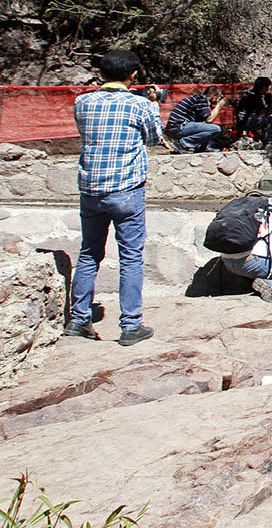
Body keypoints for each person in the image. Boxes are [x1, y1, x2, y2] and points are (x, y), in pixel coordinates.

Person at [69, 49, 162, 345]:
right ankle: (131, 325)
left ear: (101, 74)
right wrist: (155, 104)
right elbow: (154, 138)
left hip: (91, 189)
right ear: (133, 76)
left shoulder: (82, 102)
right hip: (126, 190)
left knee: (88, 253)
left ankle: (79, 319)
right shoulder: (140, 105)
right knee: (131, 256)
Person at [216, 176, 272, 300]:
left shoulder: (243, 202)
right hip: (254, 261)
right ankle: (271, 286)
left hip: (227, 260)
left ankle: (253, 283)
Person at [163, 85, 228, 153]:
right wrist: (218, 106)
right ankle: (183, 143)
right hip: (178, 127)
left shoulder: (198, 99)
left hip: (177, 127)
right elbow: (209, 119)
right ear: (214, 95)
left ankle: (201, 147)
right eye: (219, 97)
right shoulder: (200, 99)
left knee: (208, 128)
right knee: (215, 129)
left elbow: (205, 123)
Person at [231, 76, 272, 144]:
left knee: (269, 118)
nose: (268, 89)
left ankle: (262, 138)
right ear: (263, 87)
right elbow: (263, 112)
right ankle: (270, 141)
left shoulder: (257, 95)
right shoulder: (253, 96)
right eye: (267, 87)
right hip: (247, 120)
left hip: (249, 120)